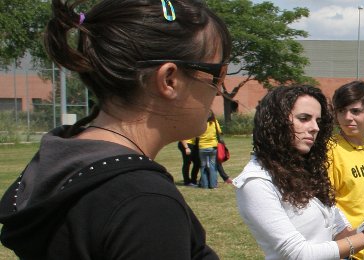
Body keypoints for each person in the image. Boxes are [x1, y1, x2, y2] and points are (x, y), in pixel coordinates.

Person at [0, 0, 230, 258]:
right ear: (169, 80)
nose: (220, 90)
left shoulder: (58, 163)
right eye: (217, 74)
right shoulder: (144, 203)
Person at [235, 85, 364, 260]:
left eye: (317, 120)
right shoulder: (256, 182)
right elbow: (298, 254)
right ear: (276, 121)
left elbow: (343, 235)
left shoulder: (306, 173)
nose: (315, 127)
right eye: (304, 118)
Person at [326, 80, 364, 260]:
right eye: (341, 111)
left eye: (355, 111)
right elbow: (325, 208)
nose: (347, 117)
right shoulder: (329, 150)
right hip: (345, 251)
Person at [196, 113, 222, 189]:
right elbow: (219, 131)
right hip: (212, 146)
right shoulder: (214, 122)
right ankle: (213, 185)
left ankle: (205, 185)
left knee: (203, 166)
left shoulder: (200, 123)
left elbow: (197, 135)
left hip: (202, 147)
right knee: (212, 166)